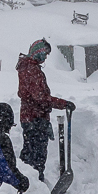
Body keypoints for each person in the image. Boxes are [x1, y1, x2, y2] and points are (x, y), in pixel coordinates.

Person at [16, 38, 75, 182]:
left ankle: (28, 181)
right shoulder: (32, 70)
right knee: (36, 155)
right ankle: (34, 183)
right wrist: (63, 104)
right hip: (35, 118)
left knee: (30, 153)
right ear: (38, 52)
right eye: (45, 54)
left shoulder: (28, 67)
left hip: (30, 117)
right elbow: (40, 97)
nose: (46, 57)